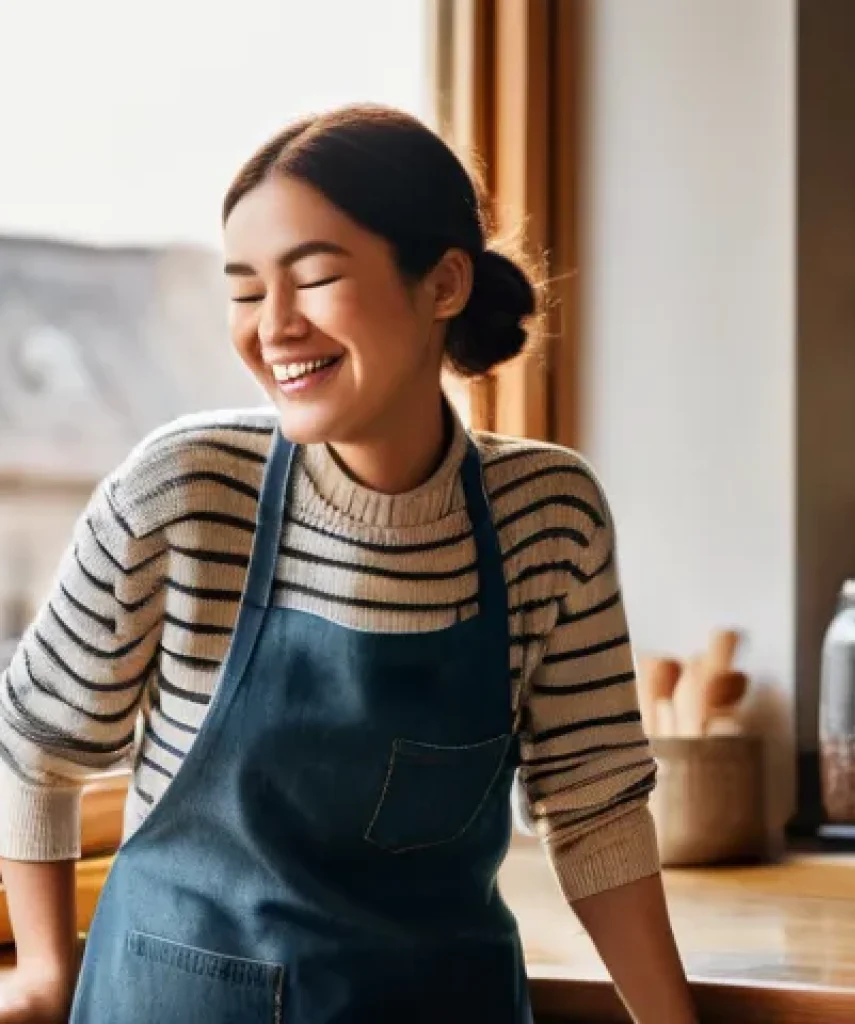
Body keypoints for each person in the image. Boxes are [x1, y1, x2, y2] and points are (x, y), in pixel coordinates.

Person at [0, 105, 699, 1023]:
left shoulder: (549, 516)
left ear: (444, 282)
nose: (274, 326)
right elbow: (32, 748)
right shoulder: (185, 490)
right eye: (246, 292)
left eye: (315, 278)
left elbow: (595, 806)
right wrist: (49, 979)